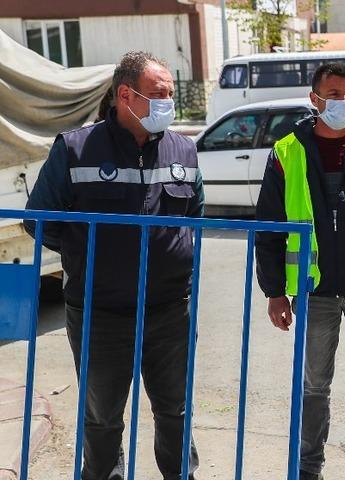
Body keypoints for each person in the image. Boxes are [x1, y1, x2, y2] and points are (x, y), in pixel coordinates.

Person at [24, 51, 203, 479]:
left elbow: (194, 217)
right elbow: (39, 220)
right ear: (126, 95)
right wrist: (87, 257)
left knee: (175, 410)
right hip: (99, 314)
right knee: (102, 417)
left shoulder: (184, 149)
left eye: (171, 96)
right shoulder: (76, 148)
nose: (168, 104)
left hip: (169, 310)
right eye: (159, 95)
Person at [254, 63, 345, 480]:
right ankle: (308, 468)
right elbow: (269, 230)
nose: (343, 102)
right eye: (334, 94)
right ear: (314, 98)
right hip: (312, 291)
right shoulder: (286, 152)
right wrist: (274, 292)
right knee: (315, 387)